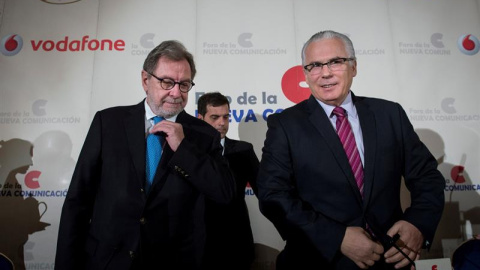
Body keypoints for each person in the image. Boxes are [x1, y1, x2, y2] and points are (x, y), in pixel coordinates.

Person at [256, 30, 445, 270]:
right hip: (318, 261)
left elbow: (427, 177)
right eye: (314, 65)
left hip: (389, 262)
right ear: (305, 73)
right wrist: (337, 238)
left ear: (353, 67)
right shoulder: (285, 125)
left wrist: (418, 224)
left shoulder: (390, 115)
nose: (325, 73)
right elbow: (273, 196)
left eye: (335, 62)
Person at [54, 40, 236, 270]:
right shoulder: (108, 123)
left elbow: (225, 193)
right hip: (108, 261)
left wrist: (184, 149)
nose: (176, 93)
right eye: (167, 82)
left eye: (184, 84)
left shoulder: (203, 135)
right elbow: (78, 201)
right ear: (145, 80)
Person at [197, 92, 259, 270]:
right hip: (200, 244)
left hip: (237, 242)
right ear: (200, 118)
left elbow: (265, 191)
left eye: (225, 117)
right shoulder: (189, 151)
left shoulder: (244, 150)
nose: (221, 123)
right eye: (215, 117)